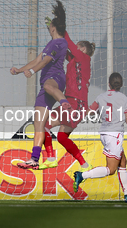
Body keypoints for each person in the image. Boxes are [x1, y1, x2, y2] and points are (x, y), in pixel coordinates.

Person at [11, 0, 69, 169]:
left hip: (56, 78)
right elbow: (38, 59)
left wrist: (33, 72)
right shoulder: (50, 43)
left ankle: (64, 103)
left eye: (49, 25)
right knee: (39, 123)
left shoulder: (59, 42)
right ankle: (34, 158)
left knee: (48, 87)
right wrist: (20, 70)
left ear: (53, 28)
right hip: (46, 82)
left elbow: (46, 61)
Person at [73, 72, 127, 203]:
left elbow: (90, 111)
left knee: (123, 162)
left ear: (109, 84)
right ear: (121, 85)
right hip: (114, 135)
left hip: (104, 133)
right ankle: (82, 175)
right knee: (111, 170)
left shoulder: (101, 97)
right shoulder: (125, 99)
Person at [40, 28, 96, 172]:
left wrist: (60, 25)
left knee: (43, 124)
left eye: (77, 47)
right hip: (77, 105)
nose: (73, 49)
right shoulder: (76, 61)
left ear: (83, 49)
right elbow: (63, 50)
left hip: (75, 104)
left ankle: (51, 158)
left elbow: (68, 42)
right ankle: (85, 165)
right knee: (61, 137)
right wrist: (52, 31)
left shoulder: (83, 58)